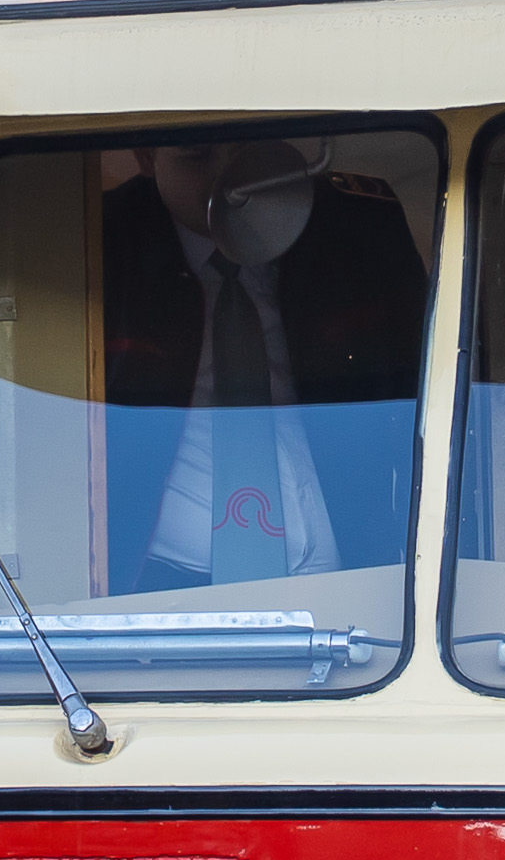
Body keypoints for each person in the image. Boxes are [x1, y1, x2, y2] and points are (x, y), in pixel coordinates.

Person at [91, 139, 428, 589]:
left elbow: (432, 392)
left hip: (360, 570)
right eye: (198, 156)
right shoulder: (98, 244)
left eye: (250, 158)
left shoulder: (355, 229)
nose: (229, 185)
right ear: (147, 157)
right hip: (161, 582)